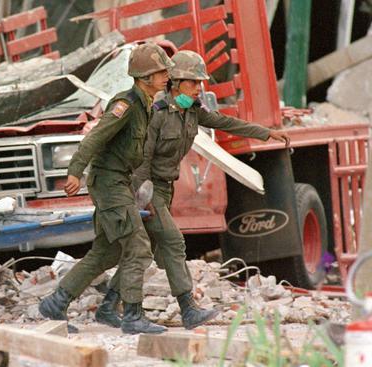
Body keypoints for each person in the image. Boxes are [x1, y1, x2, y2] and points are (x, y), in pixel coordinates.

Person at [96, 50, 291, 330]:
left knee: (144, 251)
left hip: (164, 189)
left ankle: (107, 306)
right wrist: (143, 197)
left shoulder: (192, 110)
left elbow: (226, 123)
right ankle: (187, 309)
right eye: (193, 83)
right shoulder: (157, 114)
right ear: (175, 82)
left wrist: (265, 132)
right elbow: (141, 159)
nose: (199, 88)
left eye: (200, 83)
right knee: (174, 243)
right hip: (148, 191)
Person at [38, 43, 174, 335]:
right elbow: (94, 138)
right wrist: (74, 171)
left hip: (118, 182)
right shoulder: (125, 105)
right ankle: (133, 316)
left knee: (106, 252)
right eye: (161, 72)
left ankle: (57, 303)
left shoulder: (147, 104)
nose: (166, 77)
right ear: (144, 77)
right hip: (109, 184)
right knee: (138, 247)